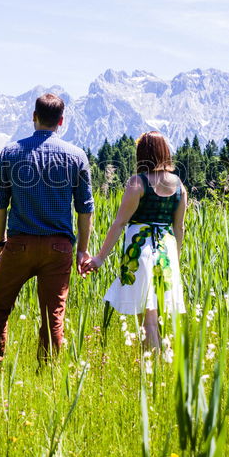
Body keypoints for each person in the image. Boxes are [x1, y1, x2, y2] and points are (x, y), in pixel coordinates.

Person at [0, 93, 94, 361]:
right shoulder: (77, 156)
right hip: (59, 248)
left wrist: (1, 242)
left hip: (19, 244)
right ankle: (48, 374)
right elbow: (85, 208)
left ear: (34, 117)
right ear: (61, 121)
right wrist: (82, 251)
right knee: (53, 316)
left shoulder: (11, 152)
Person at [87, 131, 187, 349]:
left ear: (142, 153)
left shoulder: (138, 182)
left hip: (141, 249)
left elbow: (120, 223)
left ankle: (152, 367)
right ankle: (156, 362)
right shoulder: (179, 185)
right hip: (167, 251)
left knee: (148, 316)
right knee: (156, 312)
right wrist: (175, 259)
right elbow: (179, 227)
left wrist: (100, 258)